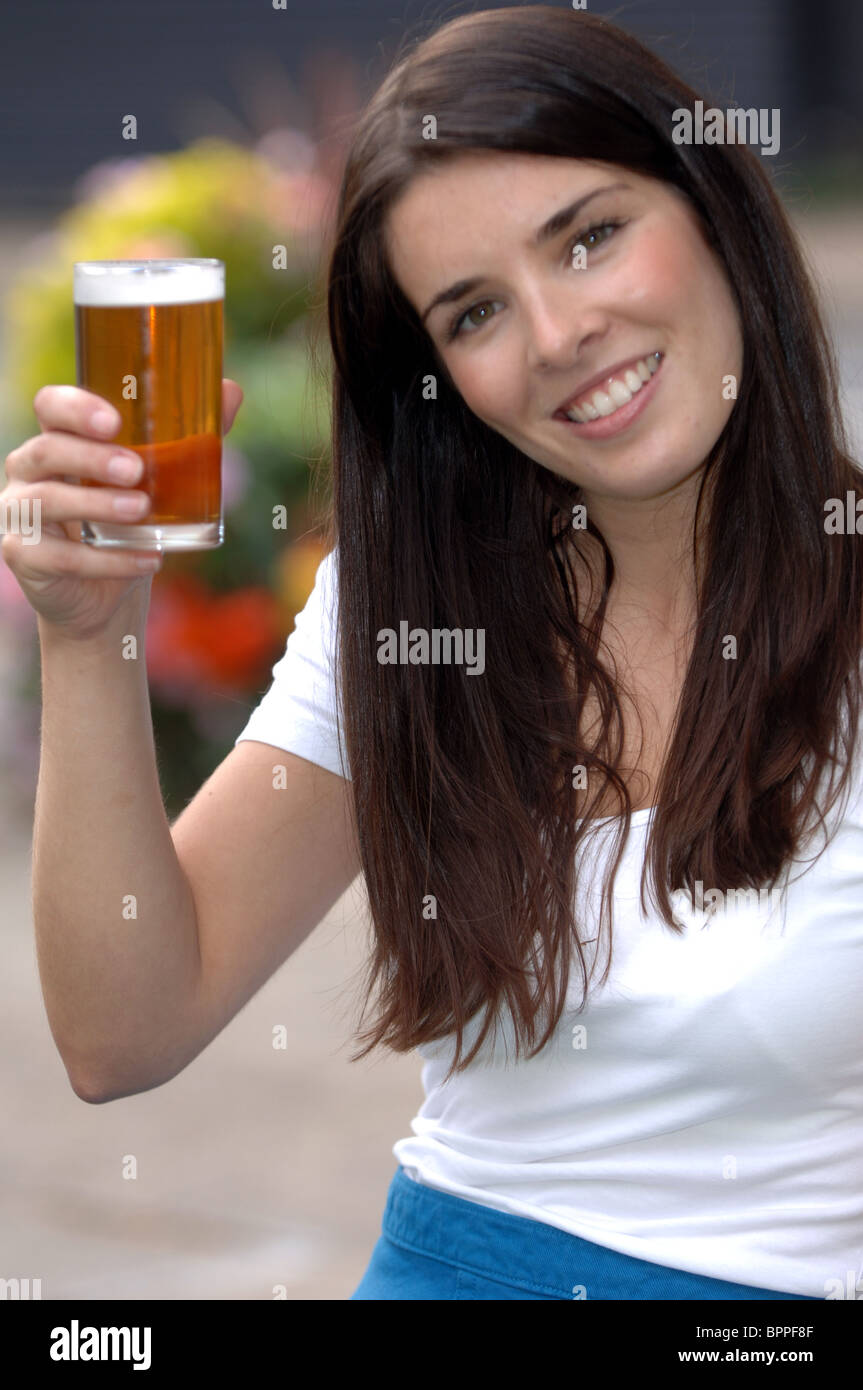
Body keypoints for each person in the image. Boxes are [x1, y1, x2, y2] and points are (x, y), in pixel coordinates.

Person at [2, 7, 861, 1301]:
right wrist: (88, 633)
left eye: (589, 236)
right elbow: (124, 1028)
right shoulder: (413, 612)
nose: (560, 334)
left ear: (712, 203)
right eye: (473, 314)